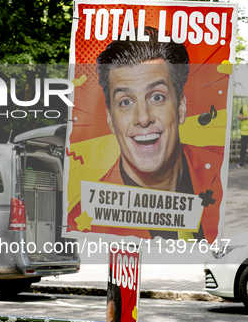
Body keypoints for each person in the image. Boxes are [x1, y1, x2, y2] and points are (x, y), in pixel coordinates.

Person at [70, 26, 223, 241]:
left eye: (157, 97)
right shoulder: (82, 225)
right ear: (110, 119)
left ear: (180, 107)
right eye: (125, 102)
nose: (143, 117)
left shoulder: (221, 173)